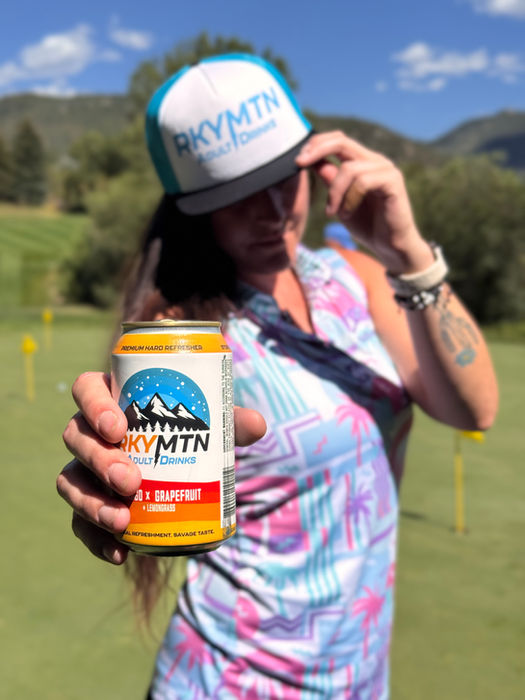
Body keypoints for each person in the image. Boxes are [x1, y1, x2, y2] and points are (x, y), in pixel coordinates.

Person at [57, 54, 498, 699]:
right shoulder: (187, 331)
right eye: (234, 197)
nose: (270, 214)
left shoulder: (358, 276)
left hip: (358, 678)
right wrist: (110, 468)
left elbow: (473, 410)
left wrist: (406, 252)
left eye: (281, 180)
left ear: (316, 165)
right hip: (228, 681)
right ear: (195, 212)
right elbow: (135, 455)